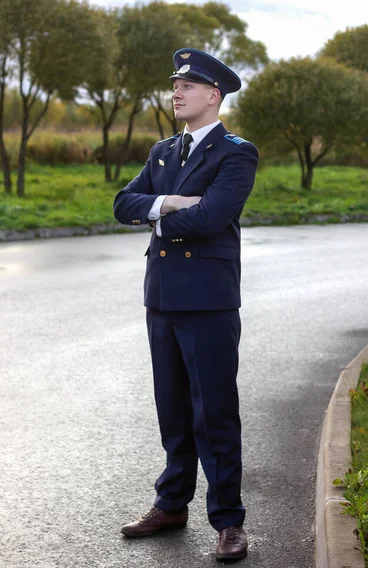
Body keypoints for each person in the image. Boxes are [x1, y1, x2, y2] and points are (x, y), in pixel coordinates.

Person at [113, 47, 259, 562]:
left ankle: (228, 521)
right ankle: (171, 504)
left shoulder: (237, 153)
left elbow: (213, 217)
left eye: (187, 86)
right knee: (172, 410)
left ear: (213, 95)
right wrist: (169, 203)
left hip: (209, 301)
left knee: (214, 412)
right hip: (163, 298)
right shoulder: (161, 152)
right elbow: (120, 204)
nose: (176, 92)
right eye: (175, 84)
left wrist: (153, 215)